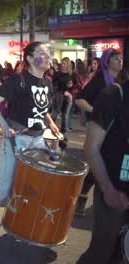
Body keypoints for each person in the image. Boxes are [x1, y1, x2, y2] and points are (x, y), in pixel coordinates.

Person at [0, 41, 60, 246]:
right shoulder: (17, 80)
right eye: (41, 53)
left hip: (38, 139)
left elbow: (41, 106)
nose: (47, 57)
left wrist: (51, 123)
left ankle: (23, 226)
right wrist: (3, 125)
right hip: (17, 139)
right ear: (29, 58)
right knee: (4, 186)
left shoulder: (47, 82)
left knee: (36, 184)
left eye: (48, 54)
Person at [76, 80, 129, 264]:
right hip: (115, 188)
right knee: (101, 251)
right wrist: (108, 190)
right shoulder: (114, 95)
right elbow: (91, 147)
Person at [74, 48, 123, 216]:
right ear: (107, 62)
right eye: (115, 58)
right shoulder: (101, 79)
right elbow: (79, 99)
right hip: (99, 128)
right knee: (100, 162)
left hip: (113, 131)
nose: (119, 61)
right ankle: (83, 198)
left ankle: (83, 197)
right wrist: (98, 111)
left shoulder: (120, 80)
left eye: (121, 58)